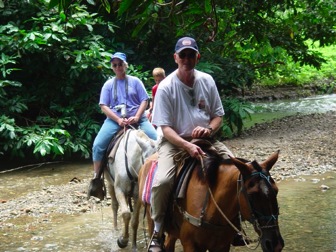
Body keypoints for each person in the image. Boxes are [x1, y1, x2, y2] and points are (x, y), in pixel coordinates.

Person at [148, 37, 234, 251]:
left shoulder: (207, 80)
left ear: (198, 57)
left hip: (207, 140)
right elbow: (165, 127)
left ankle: (235, 225)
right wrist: (187, 146)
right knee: (162, 183)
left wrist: (209, 130)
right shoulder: (166, 87)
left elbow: (218, 116)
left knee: (237, 171)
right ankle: (158, 230)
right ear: (175, 58)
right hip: (175, 142)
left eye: (191, 54)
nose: (187, 59)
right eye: (183, 55)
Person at [92, 52, 157, 177]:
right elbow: (103, 106)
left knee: (156, 140)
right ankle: (97, 177)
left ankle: (161, 173)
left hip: (138, 119)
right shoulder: (108, 84)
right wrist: (117, 119)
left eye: (120, 64)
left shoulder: (136, 81)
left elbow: (144, 100)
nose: (117, 67)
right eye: (115, 65)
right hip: (114, 120)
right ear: (112, 67)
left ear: (125, 65)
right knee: (98, 145)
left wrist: (137, 116)